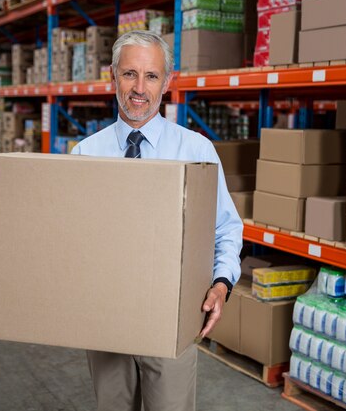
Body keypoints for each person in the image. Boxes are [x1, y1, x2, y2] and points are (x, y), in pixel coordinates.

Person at [70, 30, 243, 411]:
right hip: (105, 315)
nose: (139, 88)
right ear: (112, 77)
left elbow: (226, 227)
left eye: (151, 76)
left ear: (167, 82)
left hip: (172, 315)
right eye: (129, 74)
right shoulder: (86, 153)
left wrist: (221, 283)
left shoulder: (195, 150)